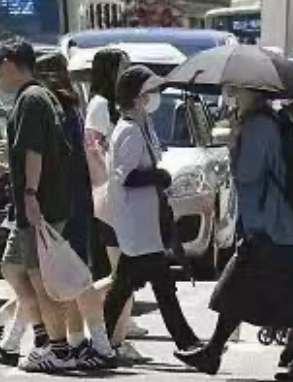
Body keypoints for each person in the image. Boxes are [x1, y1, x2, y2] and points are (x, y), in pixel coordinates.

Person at [177, 87, 293, 381]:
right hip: (283, 225)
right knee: (278, 289)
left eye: (236, 90)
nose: (231, 94)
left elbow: (247, 174)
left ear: (250, 92)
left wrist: (232, 145)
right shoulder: (271, 121)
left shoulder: (257, 125)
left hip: (270, 224)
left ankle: (214, 352)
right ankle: (215, 352)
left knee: (242, 284)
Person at [0, 40, 90, 373]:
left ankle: (57, 349)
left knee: (41, 279)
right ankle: (48, 338)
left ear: (11, 63)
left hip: (38, 205)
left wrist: (29, 194)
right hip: (42, 203)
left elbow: (34, 153)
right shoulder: (38, 97)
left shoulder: (30, 99)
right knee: (14, 268)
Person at [102, 66, 200, 359]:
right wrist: (158, 177)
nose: (154, 98)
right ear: (137, 97)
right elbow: (127, 177)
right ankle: (186, 342)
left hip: (144, 225)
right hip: (137, 224)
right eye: (149, 92)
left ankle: (100, 343)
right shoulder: (130, 131)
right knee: (157, 287)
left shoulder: (141, 126)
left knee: (126, 288)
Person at [33, 52, 117, 369]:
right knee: (74, 278)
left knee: (73, 280)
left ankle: (97, 345)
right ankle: (83, 343)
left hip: (63, 205)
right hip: (78, 202)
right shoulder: (73, 107)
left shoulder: (55, 109)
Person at [83, 48, 147, 358]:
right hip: (110, 199)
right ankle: (111, 337)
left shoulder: (120, 109)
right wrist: (108, 184)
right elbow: (93, 152)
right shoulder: (100, 107)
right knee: (121, 271)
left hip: (123, 199)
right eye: (123, 67)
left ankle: (116, 334)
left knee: (124, 270)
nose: (127, 72)